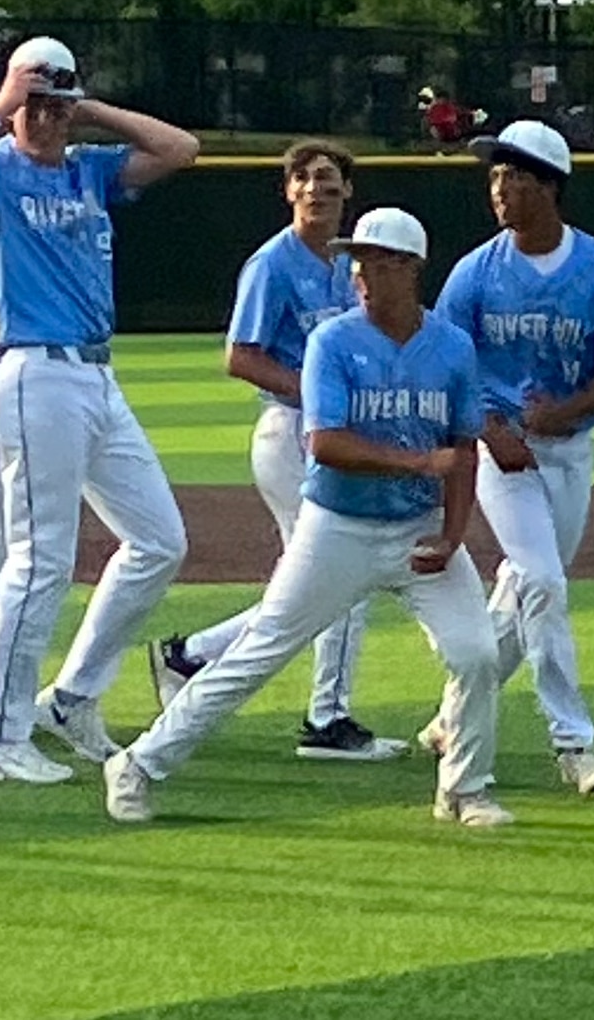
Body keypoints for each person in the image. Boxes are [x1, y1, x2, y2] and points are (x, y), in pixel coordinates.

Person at [104, 208, 509, 827]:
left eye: (377, 260)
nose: (361, 272)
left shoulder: (451, 347)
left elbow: (463, 449)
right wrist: (418, 461)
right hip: (337, 528)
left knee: (477, 652)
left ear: (411, 269)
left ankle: (464, 789)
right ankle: (136, 764)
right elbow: (327, 444)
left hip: (417, 531)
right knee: (259, 652)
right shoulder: (333, 342)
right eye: (357, 261)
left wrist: (454, 535)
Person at [0, 35, 200, 784]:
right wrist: (1, 106)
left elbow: (180, 150)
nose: (43, 118)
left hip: (96, 375)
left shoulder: (89, 171)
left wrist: (89, 106)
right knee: (39, 559)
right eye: (33, 104)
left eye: (53, 105)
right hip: (35, 375)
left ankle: (70, 697)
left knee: (158, 540)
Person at [145, 140, 401, 760]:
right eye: (306, 179)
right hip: (291, 433)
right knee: (340, 578)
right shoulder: (273, 264)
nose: (318, 189)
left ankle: (193, 655)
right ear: (289, 191)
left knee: (311, 583)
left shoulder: (352, 265)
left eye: (331, 179)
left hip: (331, 434)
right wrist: (318, 396)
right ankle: (328, 719)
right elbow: (241, 355)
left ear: (348, 192)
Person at [417, 119, 594, 796]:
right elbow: (447, 366)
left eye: (514, 176)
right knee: (542, 580)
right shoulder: (476, 273)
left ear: (549, 187)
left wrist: (564, 413)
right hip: (502, 458)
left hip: (569, 450)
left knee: (523, 592)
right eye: (494, 176)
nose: (500, 189)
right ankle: (573, 741)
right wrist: (491, 429)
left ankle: (452, 717)